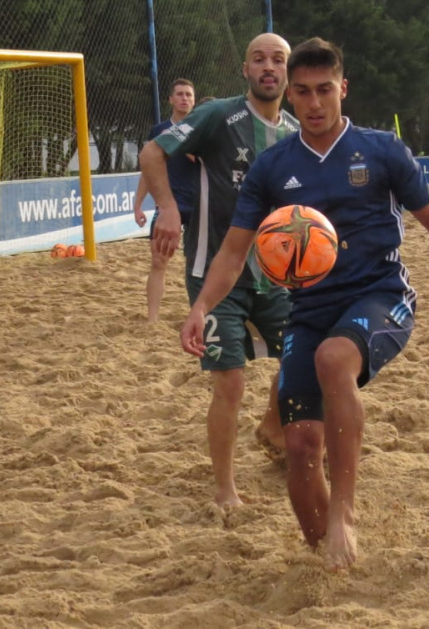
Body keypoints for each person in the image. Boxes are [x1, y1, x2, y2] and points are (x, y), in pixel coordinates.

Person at [179, 37, 429, 571]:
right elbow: (234, 250)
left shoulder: (382, 151)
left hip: (381, 297)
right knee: (301, 449)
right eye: (303, 92)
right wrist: (201, 308)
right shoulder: (272, 168)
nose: (314, 103)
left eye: (324, 90)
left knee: (334, 359)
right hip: (307, 312)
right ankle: (328, 563)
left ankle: (345, 515)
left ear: (343, 88)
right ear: (289, 96)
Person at [140, 33, 299, 507]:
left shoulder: (294, 133)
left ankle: (272, 425)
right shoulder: (219, 115)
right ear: (246, 70)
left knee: (306, 359)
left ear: (288, 73)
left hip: (276, 276)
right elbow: (152, 152)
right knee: (229, 382)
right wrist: (167, 208)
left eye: (278, 60)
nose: (268, 67)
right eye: (258, 59)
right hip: (213, 273)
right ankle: (226, 491)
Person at [133, 78, 197, 322]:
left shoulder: (201, 129)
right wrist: (138, 204)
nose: (184, 98)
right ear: (171, 99)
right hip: (169, 203)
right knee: (159, 260)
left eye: (189, 95)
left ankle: (200, 314)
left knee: (199, 264)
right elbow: (149, 169)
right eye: (179, 94)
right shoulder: (159, 131)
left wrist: (186, 144)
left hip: (199, 204)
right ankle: (152, 320)